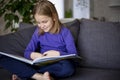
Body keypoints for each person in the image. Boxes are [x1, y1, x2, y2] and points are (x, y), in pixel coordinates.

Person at [0, 0, 77, 80]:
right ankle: (38, 76)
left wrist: (58, 54)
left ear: (54, 17)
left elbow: (74, 55)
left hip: (58, 64)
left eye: (44, 22)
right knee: (2, 57)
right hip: (41, 64)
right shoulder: (38, 31)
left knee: (68, 68)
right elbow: (27, 52)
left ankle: (26, 74)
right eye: (38, 23)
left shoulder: (65, 32)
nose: (41, 26)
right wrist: (33, 55)